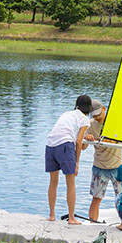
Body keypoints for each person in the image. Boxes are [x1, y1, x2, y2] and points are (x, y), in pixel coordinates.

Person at [45, 94, 92, 224]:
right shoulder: (84, 119)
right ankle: (71, 218)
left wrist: (85, 142)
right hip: (65, 145)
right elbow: (78, 142)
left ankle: (51, 215)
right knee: (70, 183)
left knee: (53, 182)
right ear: (88, 109)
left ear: (76, 106)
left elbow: (79, 143)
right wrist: (77, 163)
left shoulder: (67, 114)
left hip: (50, 144)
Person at [82, 103, 122, 222]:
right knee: (96, 197)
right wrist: (87, 139)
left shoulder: (115, 122)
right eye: (94, 116)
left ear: (104, 109)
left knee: (121, 198)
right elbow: (83, 147)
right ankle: (92, 222)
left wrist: (114, 138)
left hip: (117, 166)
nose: (96, 118)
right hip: (99, 166)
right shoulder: (90, 124)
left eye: (98, 115)